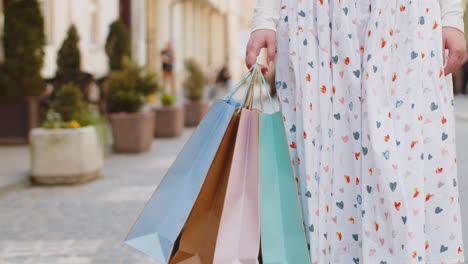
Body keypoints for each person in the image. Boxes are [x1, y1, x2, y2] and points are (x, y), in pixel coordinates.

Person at [246, 0, 466, 263]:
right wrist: (264, 17)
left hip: (403, 27)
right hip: (316, 29)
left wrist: (452, 16)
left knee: (405, 172)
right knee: (320, 175)